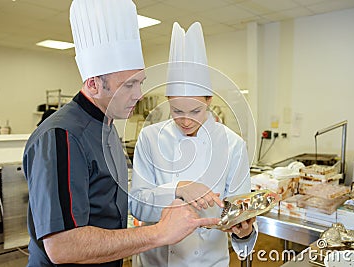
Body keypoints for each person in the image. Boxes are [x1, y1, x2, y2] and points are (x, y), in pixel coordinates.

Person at [22, 1, 219, 266]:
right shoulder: (62, 136)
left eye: (140, 83)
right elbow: (62, 246)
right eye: (128, 85)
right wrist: (158, 233)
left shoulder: (107, 127)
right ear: (93, 84)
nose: (138, 95)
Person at [129, 22, 258, 267]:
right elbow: (136, 204)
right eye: (177, 110)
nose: (186, 120)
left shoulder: (232, 145)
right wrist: (177, 189)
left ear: (209, 100)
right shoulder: (150, 138)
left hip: (208, 262)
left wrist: (245, 231)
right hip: (155, 261)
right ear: (167, 100)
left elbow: (241, 212)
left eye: (196, 110)